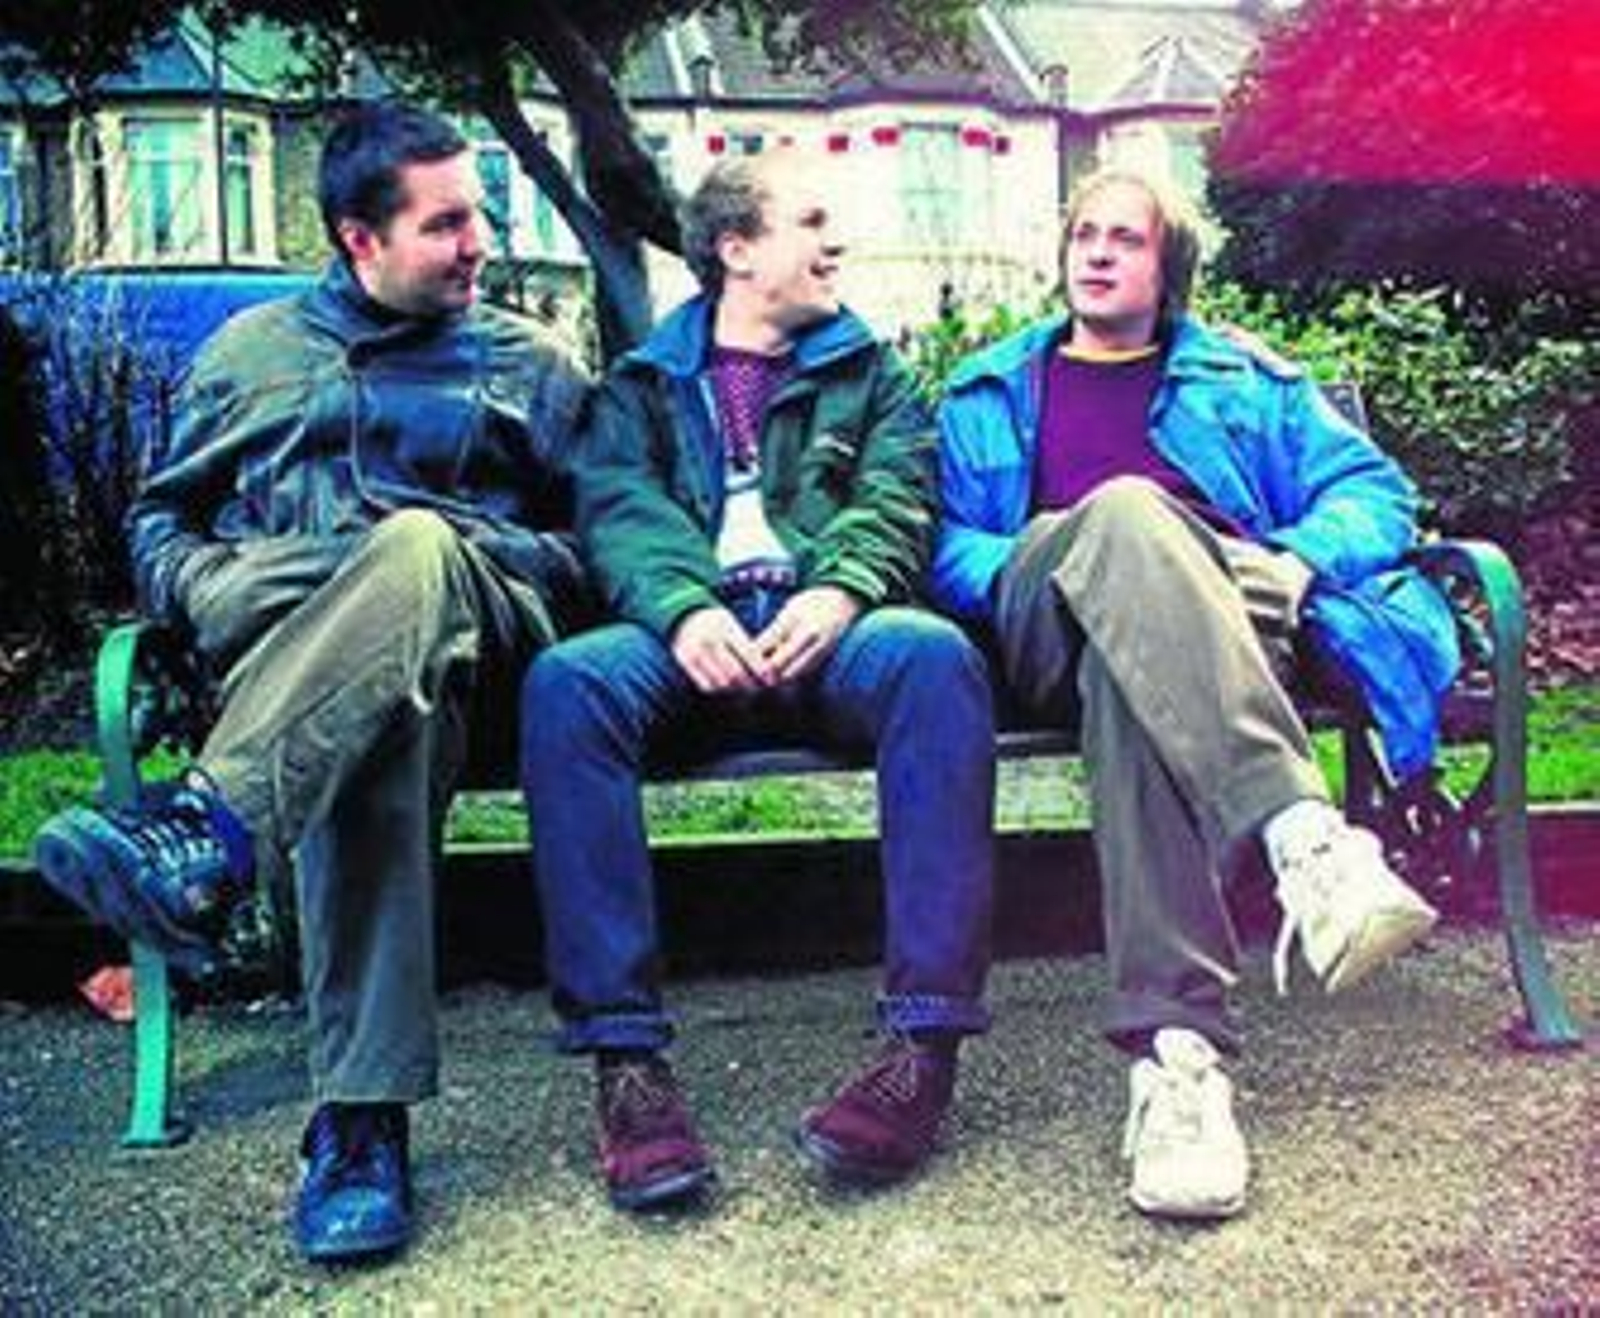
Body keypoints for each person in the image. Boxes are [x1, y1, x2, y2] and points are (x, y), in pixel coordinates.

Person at [33, 101, 592, 1262]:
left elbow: (595, 547)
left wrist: (458, 550)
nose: (480, 243)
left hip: (485, 649)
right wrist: (215, 588)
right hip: (311, 681)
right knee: (373, 718)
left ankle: (210, 831)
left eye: (478, 214)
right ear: (358, 237)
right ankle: (359, 1120)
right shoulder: (254, 353)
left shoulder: (531, 365)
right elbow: (161, 522)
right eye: (447, 224)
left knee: (414, 549)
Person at [931, 167, 1454, 1221]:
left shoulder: (1243, 378)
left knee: (1134, 689)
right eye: (1083, 233)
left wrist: (1299, 560)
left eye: (1125, 238)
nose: (1097, 252)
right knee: (1125, 514)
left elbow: (1372, 492)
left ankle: (1178, 1065)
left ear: (1167, 265)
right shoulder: (989, 390)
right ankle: (1302, 834)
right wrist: (1073, 555)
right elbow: (947, 548)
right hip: (1047, 616)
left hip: (1217, 633)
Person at [521, 149, 995, 1213]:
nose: (836, 244)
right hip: (688, 638)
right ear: (736, 249)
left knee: (931, 659)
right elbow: (620, 510)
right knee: (569, 684)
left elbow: (898, 497)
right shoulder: (641, 383)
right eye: (811, 222)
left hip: (829, 632)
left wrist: (840, 591)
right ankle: (626, 1066)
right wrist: (684, 607)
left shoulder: (872, 374)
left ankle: (922, 1047)